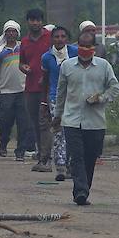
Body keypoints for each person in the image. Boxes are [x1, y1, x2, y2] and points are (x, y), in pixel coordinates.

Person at [53, 31, 119, 206]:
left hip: (95, 121)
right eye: (81, 45)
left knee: (90, 157)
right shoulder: (67, 66)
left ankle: (84, 188)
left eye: (88, 46)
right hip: (72, 120)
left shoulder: (104, 66)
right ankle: (80, 191)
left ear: (94, 48)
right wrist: (57, 116)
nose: (84, 49)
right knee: (76, 157)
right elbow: (61, 94)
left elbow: (114, 89)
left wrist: (100, 98)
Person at [40, 25, 77, 182]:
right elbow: (45, 80)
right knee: (59, 131)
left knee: (73, 131)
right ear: (52, 39)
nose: (60, 39)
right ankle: (60, 166)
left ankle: (71, 165)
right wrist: (44, 102)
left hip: (75, 97)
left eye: (63, 36)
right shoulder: (47, 57)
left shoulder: (75, 52)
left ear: (67, 38)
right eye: (57, 37)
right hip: (56, 97)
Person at [19, 9, 53, 172]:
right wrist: (24, 67)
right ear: (28, 22)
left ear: (42, 21)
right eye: (32, 20)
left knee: (44, 122)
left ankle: (46, 159)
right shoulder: (24, 42)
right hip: (30, 87)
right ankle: (42, 154)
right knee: (35, 123)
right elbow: (22, 62)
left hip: (47, 87)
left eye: (38, 20)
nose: (35, 23)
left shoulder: (50, 38)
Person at [0, 20, 29, 160]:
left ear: (18, 33)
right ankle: (3, 143)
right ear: (5, 33)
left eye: (14, 31)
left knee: (23, 122)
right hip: (6, 91)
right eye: (9, 31)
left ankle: (20, 151)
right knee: (5, 121)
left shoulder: (23, 48)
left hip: (23, 89)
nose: (11, 34)